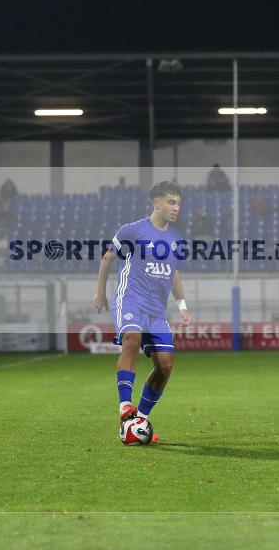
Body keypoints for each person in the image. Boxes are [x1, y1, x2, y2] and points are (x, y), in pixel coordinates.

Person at [92, 181, 193, 444]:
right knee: (132, 340)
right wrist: (100, 292)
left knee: (165, 365)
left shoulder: (175, 240)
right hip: (130, 299)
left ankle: (140, 420)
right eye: (171, 202)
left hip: (156, 310)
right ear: (156, 202)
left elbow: (175, 274)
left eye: (179, 203)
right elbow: (107, 258)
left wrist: (182, 305)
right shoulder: (133, 230)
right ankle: (125, 406)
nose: (176, 208)